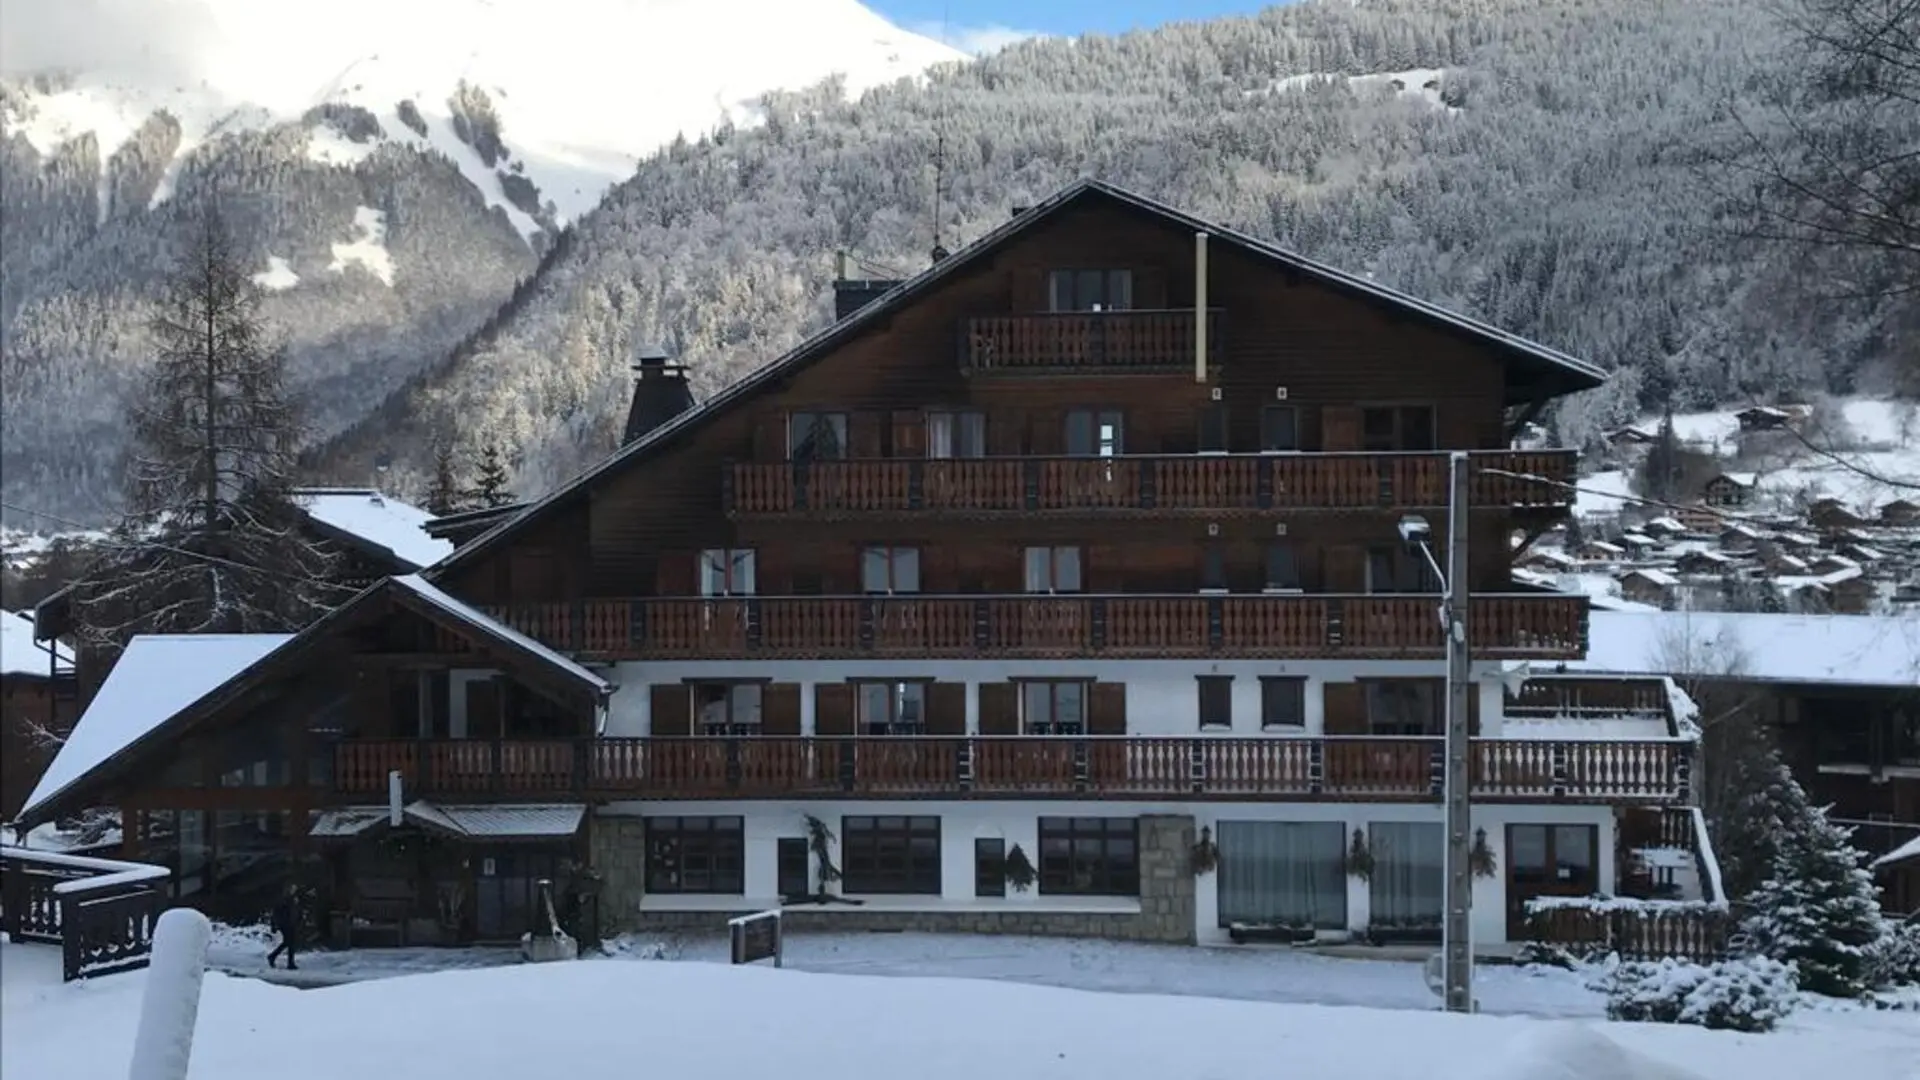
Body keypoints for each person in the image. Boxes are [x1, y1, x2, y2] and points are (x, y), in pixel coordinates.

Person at [266, 883, 301, 970]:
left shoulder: (293, 899)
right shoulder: (284, 899)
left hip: (291, 923)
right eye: (292, 888)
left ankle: (275, 957)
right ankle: (287, 962)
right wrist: (274, 925)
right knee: (289, 942)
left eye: (295, 888)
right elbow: (277, 912)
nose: (294, 890)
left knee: (289, 943)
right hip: (285, 924)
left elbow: (294, 911)